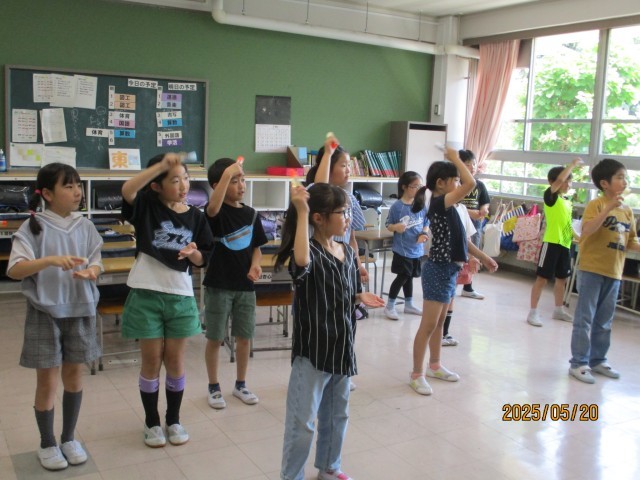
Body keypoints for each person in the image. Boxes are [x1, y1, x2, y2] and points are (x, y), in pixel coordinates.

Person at [275, 183, 385, 480]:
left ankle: (329, 467)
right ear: (319, 218)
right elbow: (301, 263)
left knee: (337, 415)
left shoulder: (346, 252)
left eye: (347, 212)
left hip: (342, 347)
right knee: (302, 423)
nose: (348, 218)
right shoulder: (307, 252)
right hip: (313, 351)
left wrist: (359, 297)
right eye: (342, 213)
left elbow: (346, 294)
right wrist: (301, 210)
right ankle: (291, 476)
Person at [7, 163, 103, 470]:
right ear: (47, 194)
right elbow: (15, 270)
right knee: (47, 381)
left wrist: (92, 271)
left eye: (78, 186)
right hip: (45, 312)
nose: (77, 192)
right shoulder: (32, 227)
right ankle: (47, 443)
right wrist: (48, 260)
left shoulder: (85, 226)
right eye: (69, 186)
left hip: (80, 309)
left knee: (74, 376)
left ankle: (69, 438)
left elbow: (96, 261)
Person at [120, 153, 214, 447]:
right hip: (146, 293)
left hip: (180, 297)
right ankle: (151, 422)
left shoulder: (197, 217)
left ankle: (173, 419)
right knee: (151, 360)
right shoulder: (147, 206)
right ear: (156, 186)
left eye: (185, 178)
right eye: (174, 180)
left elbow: (204, 258)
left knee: (175, 360)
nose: (183, 185)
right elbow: (128, 190)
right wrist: (160, 166)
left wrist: (193, 253)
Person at [409, 148, 498, 396]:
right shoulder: (440, 203)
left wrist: (484, 257)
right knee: (428, 325)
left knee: (440, 323)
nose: (460, 184)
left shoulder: (454, 208)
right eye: (455, 180)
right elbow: (472, 183)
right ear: (441, 183)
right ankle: (416, 374)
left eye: (459, 181)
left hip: (450, 269)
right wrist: (456, 159)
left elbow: (464, 242)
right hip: (437, 269)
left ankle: (435, 365)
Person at [203, 157, 268, 409]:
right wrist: (228, 172)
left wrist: (255, 264)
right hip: (218, 285)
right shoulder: (215, 212)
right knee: (215, 338)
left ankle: (241, 384)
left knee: (244, 337)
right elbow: (212, 208)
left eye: (243, 180)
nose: (241, 185)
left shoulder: (251, 215)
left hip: (245, 287)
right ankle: (213, 386)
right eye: (234, 181)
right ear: (218, 185)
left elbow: (257, 248)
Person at [568, 158, 640, 383]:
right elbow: (587, 230)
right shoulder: (596, 205)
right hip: (592, 269)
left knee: (605, 321)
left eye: (625, 177)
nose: (625, 181)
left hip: (614, 272)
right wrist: (609, 208)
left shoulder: (627, 211)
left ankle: (598, 360)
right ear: (605, 183)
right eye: (620, 177)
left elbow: (631, 241)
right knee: (585, 318)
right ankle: (578, 363)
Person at [307, 133, 368, 392]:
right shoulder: (315, 195)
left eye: (349, 165)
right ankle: (322, 368)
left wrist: (358, 264)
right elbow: (320, 186)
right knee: (326, 320)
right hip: (323, 268)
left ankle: (342, 366)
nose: (348, 170)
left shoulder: (348, 198)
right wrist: (329, 151)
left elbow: (351, 236)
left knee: (348, 319)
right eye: (343, 165)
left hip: (345, 264)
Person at [527, 158, 583, 327]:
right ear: (552, 182)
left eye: (570, 181)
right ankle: (533, 312)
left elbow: (567, 224)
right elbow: (559, 181)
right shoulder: (550, 197)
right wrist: (572, 165)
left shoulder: (567, 202)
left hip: (565, 245)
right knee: (542, 279)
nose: (568, 184)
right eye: (566, 180)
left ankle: (558, 310)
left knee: (562, 279)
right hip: (551, 243)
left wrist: (579, 238)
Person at [383, 171, 429, 320]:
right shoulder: (397, 206)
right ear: (404, 187)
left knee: (409, 277)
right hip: (403, 250)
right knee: (402, 276)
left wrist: (424, 233)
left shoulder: (421, 205)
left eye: (420, 187)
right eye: (415, 186)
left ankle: (408, 304)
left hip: (417, 250)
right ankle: (390, 306)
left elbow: (426, 222)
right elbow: (388, 225)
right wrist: (396, 227)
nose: (418, 189)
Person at [458, 149, 490, 300]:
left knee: (473, 255)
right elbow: (456, 206)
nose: (472, 167)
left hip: (475, 225)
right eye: (468, 164)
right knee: (460, 255)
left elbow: (485, 202)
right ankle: (454, 282)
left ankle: (468, 287)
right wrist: (470, 213)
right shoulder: (456, 184)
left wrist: (484, 210)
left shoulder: (480, 185)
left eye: (474, 164)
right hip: (460, 224)